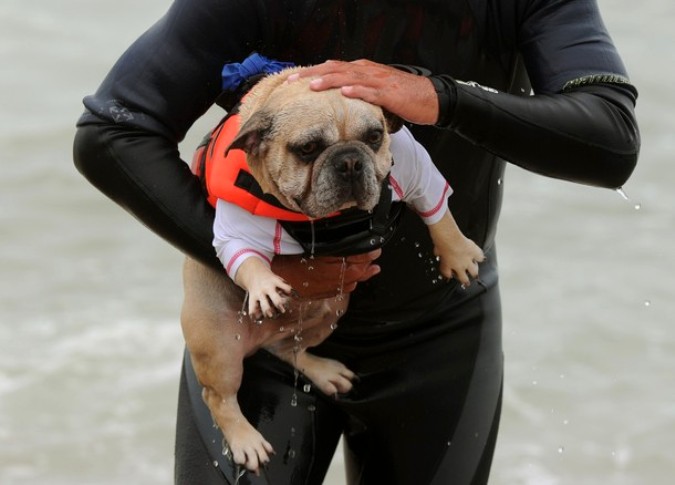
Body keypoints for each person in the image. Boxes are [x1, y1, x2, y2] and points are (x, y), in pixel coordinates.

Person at [72, 1, 640, 484]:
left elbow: (610, 138)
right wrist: (251, 263)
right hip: (263, 329)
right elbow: (112, 133)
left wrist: (440, 99)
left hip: (439, 331)